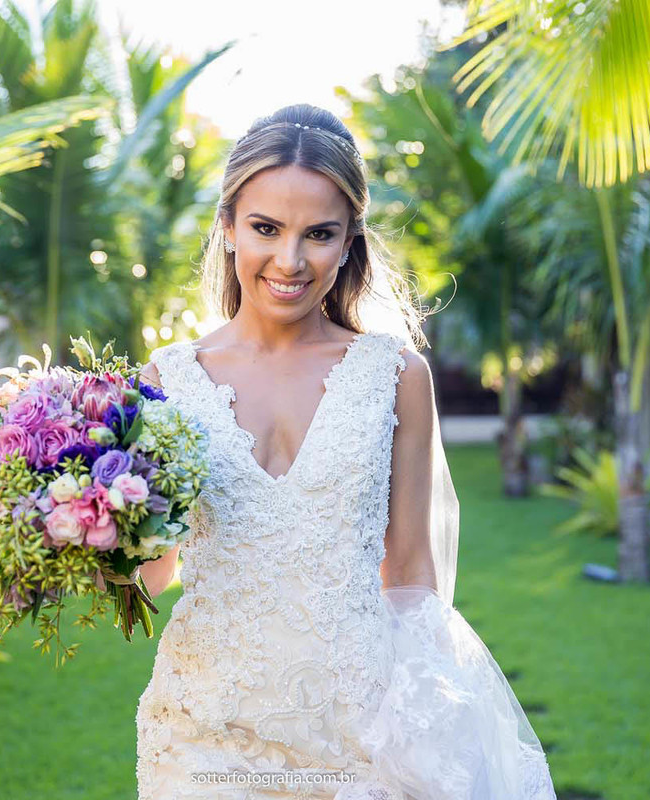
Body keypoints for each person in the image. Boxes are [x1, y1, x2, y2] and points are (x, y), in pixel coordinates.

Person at [132, 104, 557, 799]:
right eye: (266, 228)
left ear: (350, 239)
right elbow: (151, 576)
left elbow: (412, 572)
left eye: (319, 234)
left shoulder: (395, 377)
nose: (290, 261)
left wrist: (424, 733)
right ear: (228, 224)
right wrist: (74, 526)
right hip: (204, 733)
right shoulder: (166, 382)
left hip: (359, 735)